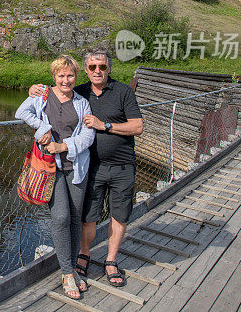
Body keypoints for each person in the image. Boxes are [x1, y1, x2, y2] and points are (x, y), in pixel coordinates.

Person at [29, 45, 143, 287]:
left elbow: (137, 127)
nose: (98, 71)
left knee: (119, 215)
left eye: (102, 66)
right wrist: (34, 91)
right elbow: (56, 90)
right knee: (87, 217)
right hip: (91, 167)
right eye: (92, 67)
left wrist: (106, 125)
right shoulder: (79, 92)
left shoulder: (123, 92)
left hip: (122, 165)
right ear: (87, 71)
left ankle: (111, 261)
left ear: (109, 68)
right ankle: (83, 255)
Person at [15, 55, 96, 300]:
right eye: (61, 75)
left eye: (70, 75)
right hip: (50, 168)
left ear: (75, 77)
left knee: (74, 219)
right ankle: (67, 273)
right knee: (60, 217)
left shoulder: (82, 102)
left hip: (76, 167)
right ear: (54, 77)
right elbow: (21, 111)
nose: (66, 80)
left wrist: (65, 147)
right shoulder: (41, 95)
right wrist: (42, 128)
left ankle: (70, 269)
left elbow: (88, 137)